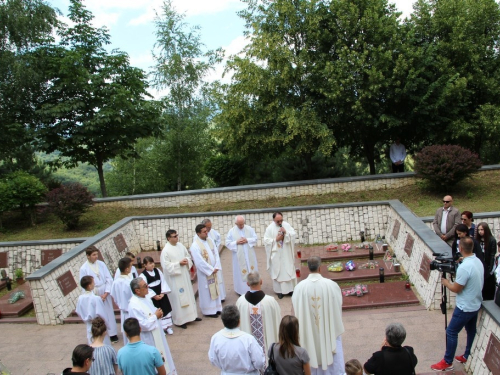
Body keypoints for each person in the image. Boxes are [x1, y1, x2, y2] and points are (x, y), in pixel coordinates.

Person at [431, 237, 484, 371]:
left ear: (460, 248)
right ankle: (467, 354)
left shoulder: (465, 267)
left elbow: (456, 288)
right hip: (475, 303)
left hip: (465, 306)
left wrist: (446, 283)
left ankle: (448, 361)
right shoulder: (477, 261)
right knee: (471, 330)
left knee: (451, 331)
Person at [292, 256, 345, 375]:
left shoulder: (299, 288)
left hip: (309, 331)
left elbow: (296, 308)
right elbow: (338, 305)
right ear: (320, 268)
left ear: (308, 268)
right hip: (328, 331)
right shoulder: (331, 285)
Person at [127, 278, 176, 375]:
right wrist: (155, 316)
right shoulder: (134, 305)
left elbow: (153, 311)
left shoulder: (145, 298)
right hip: (148, 338)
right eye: (145, 286)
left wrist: (158, 313)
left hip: (156, 333)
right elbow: (142, 325)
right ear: (137, 290)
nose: (148, 287)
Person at [160, 229, 202, 329]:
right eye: (174, 236)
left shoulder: (180, 245)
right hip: (175, 279)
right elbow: (166, 266)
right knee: (178, 299)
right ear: (168, 238)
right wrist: (178, 263)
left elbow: (188, 256)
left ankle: (192, 316)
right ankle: (180, 320)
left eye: (177, 235)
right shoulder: (165, 251)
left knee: (188, 294)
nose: (176, 238)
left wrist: (186, 261)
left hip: (184, 276)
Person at [208, 305, 265, 374]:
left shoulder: (216, 338)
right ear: (239, 321)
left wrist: (227, 369)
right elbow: (259, 362)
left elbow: (213, 359)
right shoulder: (248, 339)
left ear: (223, 321)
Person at [236, 271, 281, 356]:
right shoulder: (270, 301)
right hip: (268, 352)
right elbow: (278, 322)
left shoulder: (240, 302)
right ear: (261, 281)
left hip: (247, 354)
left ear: (247, 284)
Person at [80, 246, 118, 343]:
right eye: (93, 255)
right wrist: (93, 296)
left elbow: (109, 278)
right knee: (99, 313)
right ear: (88, 256)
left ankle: (112, 333)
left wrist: (106, 293)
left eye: (97, 254)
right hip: (94, 292)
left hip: (104, 290)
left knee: (108, 312)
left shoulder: (101, 264)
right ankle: (99, 332)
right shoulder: (84, 268)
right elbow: (84, 284)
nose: (96, 256)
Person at [190, 224, 222, 317]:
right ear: (198, 233)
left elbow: (216, 253)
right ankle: (209, 311)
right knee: (207, 291)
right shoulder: (195, 245)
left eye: (206, 231)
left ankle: (217, 308)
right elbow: (199, 262)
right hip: (205, 273)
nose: (206, 233)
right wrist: (211, 269)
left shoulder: (210, 240)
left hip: (214, 270)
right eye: (204, 232)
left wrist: (216, 265)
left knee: (215, 288)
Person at [264, 212, 297, 299]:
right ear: (274, 220)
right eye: (278, 221)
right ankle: (280, 291)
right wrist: (276, 239)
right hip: (276, 254)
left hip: (286, 252)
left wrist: (286, 234)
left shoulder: (286, 225)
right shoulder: (269, 228)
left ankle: (290, 290)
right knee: (278, 272)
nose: (280, 223)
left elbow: (293, 235)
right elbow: (266, 242)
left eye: (281, 220)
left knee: (288, 270)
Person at [225, 215, 259, 296]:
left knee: (251, 270)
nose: (241, 226)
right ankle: (242, 290)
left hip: (249, 254)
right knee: (240, 272)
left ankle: (254, 288)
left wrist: (247, 240)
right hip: (238, 257)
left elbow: (255, 238)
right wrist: (236, 242)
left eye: (242, 224)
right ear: (236, 223)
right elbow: (228, 243)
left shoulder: (249, 229)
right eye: (239, 224)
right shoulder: (231, 231)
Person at [140, 256, 174, 334]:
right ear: (145, 265)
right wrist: (154, 296)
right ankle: (161, 328)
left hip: (161, 292)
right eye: (150, 263)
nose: (152, 265)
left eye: (153, 263)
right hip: (153, 295)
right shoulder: (143, 275)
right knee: (157, 311)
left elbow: (163, 281)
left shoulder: (157, 270)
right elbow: (145, 287)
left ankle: (168, 327)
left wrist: (162, 292)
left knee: (165, 309)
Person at [76, 276, 112, 346]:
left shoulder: (80, 298)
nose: (94, 284)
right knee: (103, 344)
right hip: (99, 326)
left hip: (89, 325)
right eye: (93, 282)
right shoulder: (96, 298)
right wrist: (107, 325)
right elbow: (102, 313)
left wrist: (85, 319)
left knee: (92, 343)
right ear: (89, 286)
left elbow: (78, 311)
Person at [110, 257, 134, 344]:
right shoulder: (129, 282)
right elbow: (134, 297)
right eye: (131, 266)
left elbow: (114, 296)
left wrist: (120, 304)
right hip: (131, 312)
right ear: (127, 269)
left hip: (123, 311)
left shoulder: (115, 282)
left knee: (127, 337)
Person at [476, 222, 497, 300]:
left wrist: (490, 268)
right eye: (479, 230)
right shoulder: (477, 240)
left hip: (487, 265)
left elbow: (492, 255)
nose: (480, 231)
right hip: (480, 264)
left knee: (488, 285)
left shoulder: (491, 240)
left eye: (482, 229)